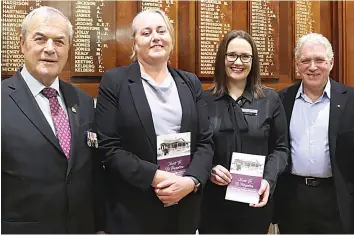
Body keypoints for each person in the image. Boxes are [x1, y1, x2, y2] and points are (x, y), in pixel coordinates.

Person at [95, 9, 214, 233]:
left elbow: (206, 141)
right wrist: (155, 177)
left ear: (171, 39)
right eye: (146, 32)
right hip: (134, 208)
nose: (155, 37)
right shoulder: (115, 82)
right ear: (134, 43)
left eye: (161, 31)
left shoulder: (190, 83)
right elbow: (108, 147)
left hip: (183, 205)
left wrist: (191, 181)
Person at [1, 6, 104, 233]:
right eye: (40, 39)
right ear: (22, 44)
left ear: (68, 49)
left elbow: (93, 172)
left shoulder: (84, 102)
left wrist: (100, 226)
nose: (50, 49)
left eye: (59, 42)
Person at [198, 30, 289, 234]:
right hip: (213, 205)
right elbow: (197, 147)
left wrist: (268, 179)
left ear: (253, 60)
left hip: (255, 202)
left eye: (245, 56)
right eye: (231, 55)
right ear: (222, 57)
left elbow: (281, 149)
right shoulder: (204, 101)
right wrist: (210, 168)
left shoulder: (270, 100)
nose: (237, 62)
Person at [275, 32, 354, 233]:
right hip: (293, 198)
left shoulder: (351, 100)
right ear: (297, 64)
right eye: (305, 60)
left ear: (331, 62)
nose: (312, 67)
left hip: (336, 199)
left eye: (319, 60)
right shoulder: (281, 100)